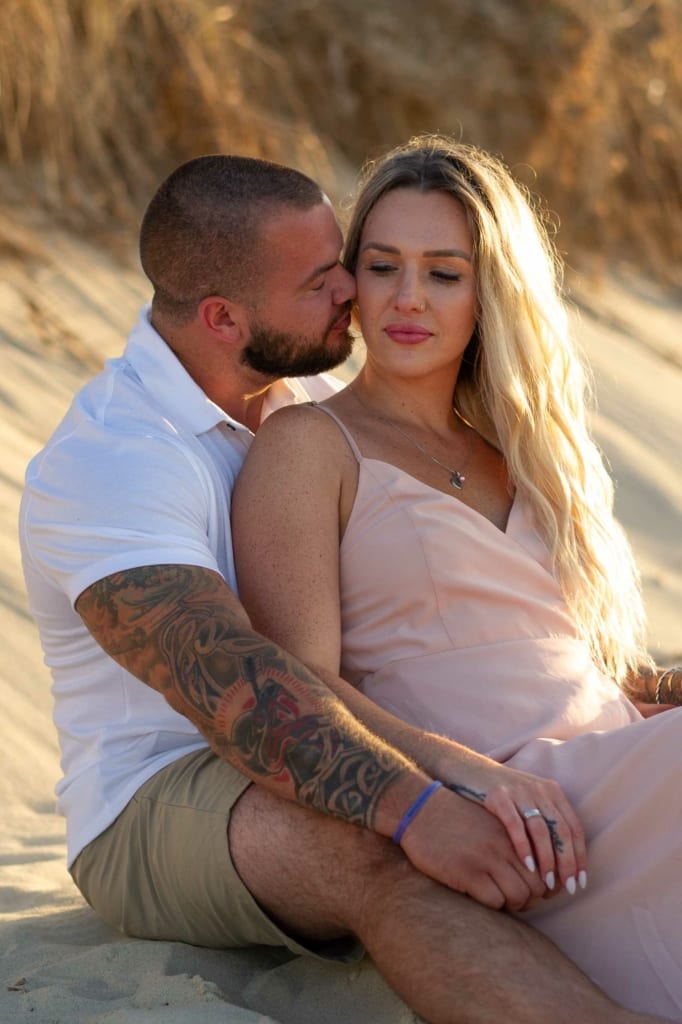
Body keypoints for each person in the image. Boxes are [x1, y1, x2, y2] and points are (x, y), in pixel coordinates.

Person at [19, 153, 669, 1024]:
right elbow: (242, 679)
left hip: (428, 747)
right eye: (340, 275)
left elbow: (524, 644)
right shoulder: (118, 457)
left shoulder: (318, 389)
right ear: (223, 316)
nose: (366, 299)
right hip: (162, 789)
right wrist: (423, 802)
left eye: (348, 264)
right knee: (371, 849)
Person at [231, 136, 682, 1021]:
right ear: (348, 282)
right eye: (383, 265)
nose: (407, 298)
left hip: (617, 765)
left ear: (489, 294)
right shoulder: (309, 445)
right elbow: (302, 683)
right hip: (512, 813)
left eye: (444, 273)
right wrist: (460, 783)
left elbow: (564, 656)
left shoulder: (523, 454)